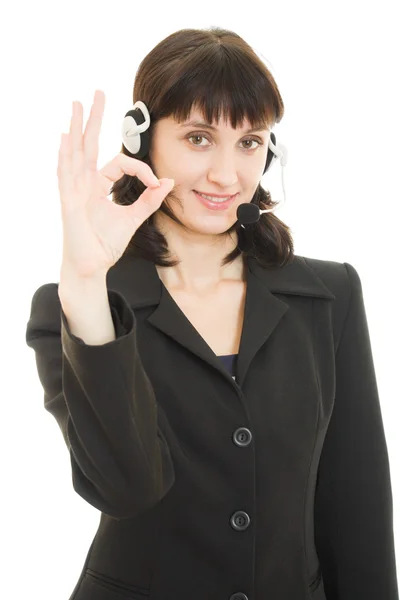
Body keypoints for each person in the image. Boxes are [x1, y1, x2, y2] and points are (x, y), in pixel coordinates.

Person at [25, 27, 398, 600]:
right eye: (199, 138)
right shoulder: (77, 308)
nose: (228, 175)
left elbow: (358, 508)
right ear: (141, 140)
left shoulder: (329, 294)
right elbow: (127, 489)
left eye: (249, 142)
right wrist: (85, 282)